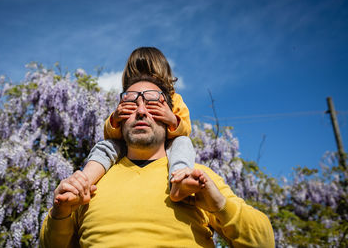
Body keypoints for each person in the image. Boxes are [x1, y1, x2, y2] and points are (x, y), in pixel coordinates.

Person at [40, 76, 275, 247]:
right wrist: (60, 212)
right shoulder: (88, 182)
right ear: (119, 121)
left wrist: (219, 205)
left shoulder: (196, 178)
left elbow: (263, 242)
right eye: (131, 105)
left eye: (153, 105)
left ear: (170, 123)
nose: (141, 111)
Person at [82, 47, 196, 201]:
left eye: (150, 73)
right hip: (130, 147)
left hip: (166, 147)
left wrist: (172, 120)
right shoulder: (129, 97)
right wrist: (115, 120)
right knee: (107, 145)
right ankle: (84, 180)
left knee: (183, 142)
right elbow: (110, 133)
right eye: (137, 73)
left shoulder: (175, 99)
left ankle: (179, 179)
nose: (144, 79)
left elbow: (186, 130)